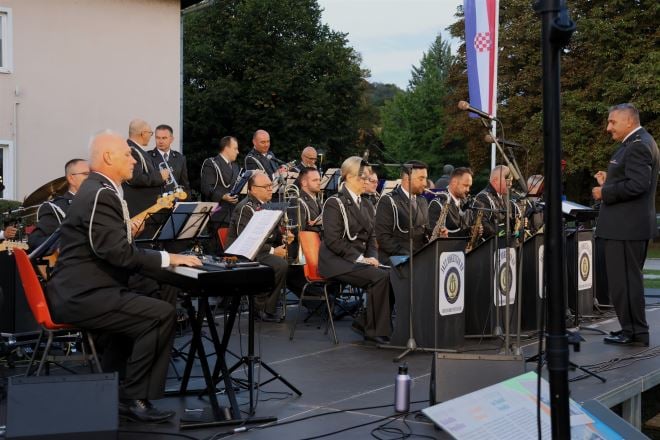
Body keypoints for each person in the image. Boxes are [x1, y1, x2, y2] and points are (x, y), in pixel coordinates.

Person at [47, 130, 201, 423]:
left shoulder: (99, 189)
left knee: (142, 306)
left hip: (85, 290)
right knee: (160, 315)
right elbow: (117, 254)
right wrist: (168, 258)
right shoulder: (101, 194)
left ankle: (115, 388)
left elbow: (106, 246)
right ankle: (134, 398)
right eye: (128, 155)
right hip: (83, 295)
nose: (134, 160)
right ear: (108, 157)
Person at [592, 103, 658, 347]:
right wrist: (609, 181)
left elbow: (638, 185)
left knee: (626, 284)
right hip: (625, 227)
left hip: (626, 228)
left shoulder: (638, 145)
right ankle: (631, 329)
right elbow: (632, 180)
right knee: (625, 283)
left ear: (629, 121)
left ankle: (635, 333)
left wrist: (605, 193)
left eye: (612, 122)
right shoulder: (636, 143)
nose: (608, 127)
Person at [319, 157, 391, 344]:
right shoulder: (334, 202)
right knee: (380, 277)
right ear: (349, 177)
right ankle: (373, 331)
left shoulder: (366, 203)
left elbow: (372, 237)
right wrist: (360, 258)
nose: (368, 181)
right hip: (336, 261)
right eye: (364, 177)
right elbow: (333, 240)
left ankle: (364, 323)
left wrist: (372, 257)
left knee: (392, 274)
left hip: (356, 260)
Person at [226, 171, 289, 322]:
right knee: (280, 265)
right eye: (266, 186)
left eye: (271, 185)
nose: (270, 189)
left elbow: (271, 234)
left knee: (293, 259)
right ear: (253, 189)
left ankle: (312, 298)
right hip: (244, 253)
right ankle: (261, 307)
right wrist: (273, 250)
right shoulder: (245, 208)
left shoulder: (266, 205)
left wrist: (284, 238)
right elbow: (245, 240)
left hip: (260, 249)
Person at [375, 161, 431, 265]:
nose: (425, 183)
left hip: (418, 257)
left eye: (425, 179)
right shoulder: (388, 200)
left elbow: (426, 231)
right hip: (396, 259)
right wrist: (410, 256)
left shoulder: (422, 200)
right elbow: (383, 238)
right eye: (421, 179)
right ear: (407, 179)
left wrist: (437, 235)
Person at [27, 159, 90, 252]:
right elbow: (35, 240)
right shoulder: (55, 208)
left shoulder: (100, 203)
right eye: (86, 174)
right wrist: (63, 245)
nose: (92, 178)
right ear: (71, 179)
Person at [200, 136, 241, 254]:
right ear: (226, 148)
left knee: (232, 252)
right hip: (218, 215)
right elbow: (206, 187)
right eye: (235, 148)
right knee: (218, 251)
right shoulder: (211, 163)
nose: (238, 152)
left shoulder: (235, 166)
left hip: (233, 215)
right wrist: (223, 196)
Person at [122, 119, 170, 216]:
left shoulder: (136, 149)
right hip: (140, 210)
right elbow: (135, 178)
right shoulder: (132, 150)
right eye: (150, 133)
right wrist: (160, 176)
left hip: (145, 208)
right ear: (143, 133)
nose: (150, 136)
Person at [428, 167, 475, 239]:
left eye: (469, 186)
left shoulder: (467, 203)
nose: (468, 190)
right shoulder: (437, 203)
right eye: (465, 185)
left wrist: (473, 230)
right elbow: (432, 236)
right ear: (454, 182)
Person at [473, 165, 515, 241]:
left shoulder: (505, 197)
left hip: (504, 243)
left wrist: (517, 223)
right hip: (490, 245)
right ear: (495, 180)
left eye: (511, 181)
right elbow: (483, 225)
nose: (511, 184)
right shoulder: (482, 197)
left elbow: (507, 221)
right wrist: (502, 234)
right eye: (508, 181)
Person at [148, 124, 189, 192]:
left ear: (171, 139)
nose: (160, 141)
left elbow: (184, 185)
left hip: (175, 198)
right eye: (158, 138)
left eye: (164, 138)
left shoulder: (180, 158)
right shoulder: (147, 157)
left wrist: (185, 197)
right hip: (156, 198)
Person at [297, 167, 323, 234]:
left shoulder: (317, 199)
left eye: (319, 180)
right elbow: (299, 231)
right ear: (304, 183)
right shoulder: (297, 201)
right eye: (315, 180)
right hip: (309, 240)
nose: (319, 183)